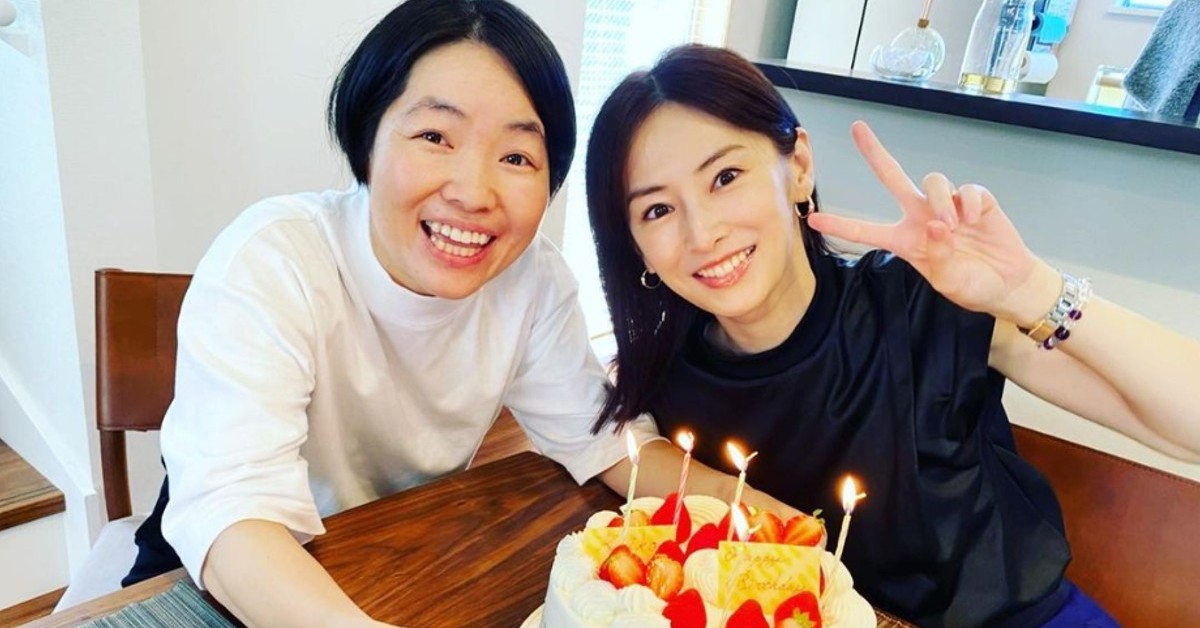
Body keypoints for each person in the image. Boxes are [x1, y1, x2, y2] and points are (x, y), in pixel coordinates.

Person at [585, 44, 1200, 628]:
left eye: (725, 177)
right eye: (657, 210)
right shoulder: (665, 374)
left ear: (798, 167)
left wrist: (1031, 289)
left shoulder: (921, 302)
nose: (702, 233)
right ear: (634, 245)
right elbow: (607, 453)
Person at [115, 1, 673, 626]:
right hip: (215, 580)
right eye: (435, 137)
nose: (473, 193)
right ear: (368, 141)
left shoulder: (532, 278)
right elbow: (232, 515)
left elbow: (603, 442)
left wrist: (751, 510)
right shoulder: (275, 258)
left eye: (517, 157)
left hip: (387, 558)